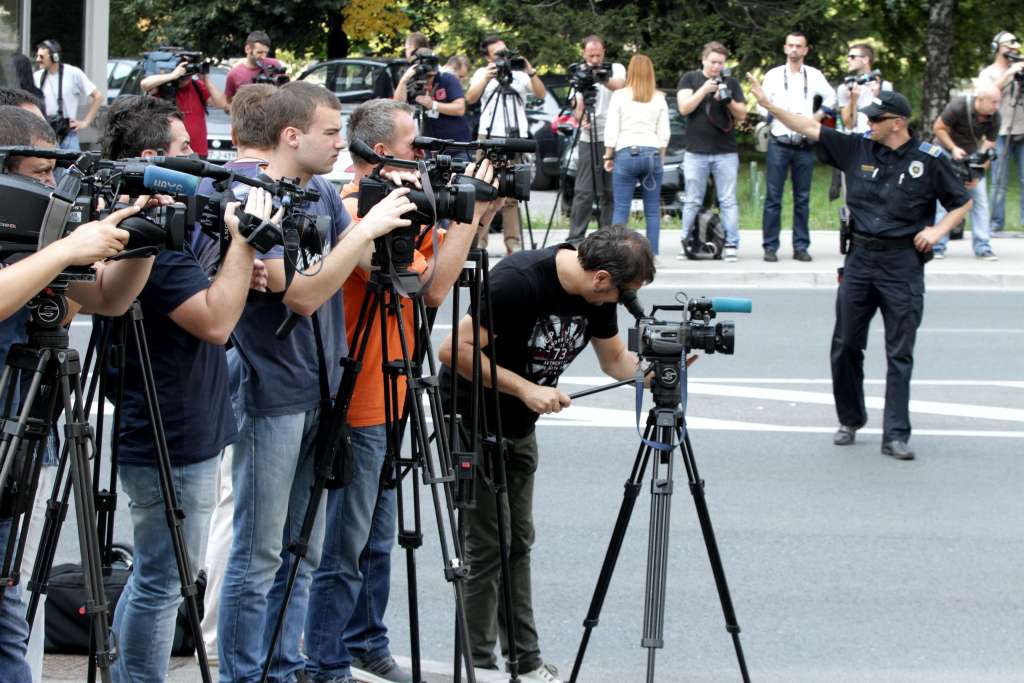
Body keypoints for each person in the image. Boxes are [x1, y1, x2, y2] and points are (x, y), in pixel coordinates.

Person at [215, 81, 415, 683]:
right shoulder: (251, 193)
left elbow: (383, 274)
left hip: (324, 389)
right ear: (292, 135)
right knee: (259, 555)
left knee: (300, 551)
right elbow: (298, 294)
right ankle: (242, 675)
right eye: (332, 132)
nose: (341, 143)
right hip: (271, 392)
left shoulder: (325, 192)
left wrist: (395, 215)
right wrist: (365, 227)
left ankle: (283, 668)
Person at [304, 97, 501, 683]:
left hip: (395, 390)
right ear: (382, 151)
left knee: (379, 535)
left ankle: (366, 641)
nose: (426, 155)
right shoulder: (352, 212)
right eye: (417, 145)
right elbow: (430, 289)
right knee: (347, 542)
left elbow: (438, 266)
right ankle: (324, 662)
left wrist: (476, 211)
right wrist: (463, 217)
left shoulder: (404, 209)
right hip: (360, 394)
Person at [97, 94, 270, 683]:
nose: (197, 159)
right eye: (183, 151)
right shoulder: (148, 241)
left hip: (186, 423)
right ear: (152, 160)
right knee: (162, 579)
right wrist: (244, 245)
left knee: (165, 574)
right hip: (168, 431)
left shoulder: (163, 230)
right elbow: (217, 322)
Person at [437, 226, 656, 683]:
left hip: (519, 422)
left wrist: (656, 369)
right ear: (600, 278)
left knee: (518, 541)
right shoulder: (519, 280)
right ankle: (478, 666)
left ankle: (525, 661)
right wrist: (527, 388)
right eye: (622, 293)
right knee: (486, 547)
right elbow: (451, 350)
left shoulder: (596, 296)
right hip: (473, 417)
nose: (622, 302)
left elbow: (615, 361)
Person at [0, 104, 155, 683]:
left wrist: (139, 240)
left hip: (25, 439)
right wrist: (63, 250)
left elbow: (109, 299)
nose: (51, 189)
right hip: (9, 432)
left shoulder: (33, 238)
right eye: (40, 175)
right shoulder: (31, 242)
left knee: (10, 600)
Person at [748, 76, 971, 461]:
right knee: (846, 345)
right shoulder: (856, 148)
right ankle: (850, 418)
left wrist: (936, 231)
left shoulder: (929, 160)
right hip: (860, 260)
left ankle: (896, 435)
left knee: (900, 351)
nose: (868, 122)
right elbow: (806, 125)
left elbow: (962, 202)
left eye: (876, 118)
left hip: (902, 263)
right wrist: (768, 104)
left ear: (897, 122)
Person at [195, 82, 277, 666]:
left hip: (224, 359)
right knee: (235, 508)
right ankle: (218, 638)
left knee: (229, 501)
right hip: (240, 356)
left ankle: (220, 635)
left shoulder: (208, 181)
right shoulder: (245, 190)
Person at [756, 31, 836, 262]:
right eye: (790, 45)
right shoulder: (772, 75)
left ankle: (801, 246)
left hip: (803, 143)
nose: (794, 50)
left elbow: (831, 97)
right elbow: (762, 105)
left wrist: (817, 117)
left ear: (805, 50)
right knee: (773, 197)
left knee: (802, 198)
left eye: (798, 46)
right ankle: (770, 247)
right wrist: (773, 115)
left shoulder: (813, 75)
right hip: (779, 142)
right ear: (784, 48)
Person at [465, 35, 546, 254]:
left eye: (505, 52)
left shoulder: (519, 74)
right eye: (497, 54)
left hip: (515, 137)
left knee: (513, 193)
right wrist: (487, 78)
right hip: (489, 136)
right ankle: (478, 243)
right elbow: (470, 98)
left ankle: (513, 244)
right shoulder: (483, 73)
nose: (503, 57)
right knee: (483, 189)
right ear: (487, 57)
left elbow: (541, 93)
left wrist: (530, 70)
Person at [675, 41, 746, 262]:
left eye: (720, 63)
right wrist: (704, 90)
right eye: (713, 62)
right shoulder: (690, 79)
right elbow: (684, 107)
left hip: (725, 151)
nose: (716, 66)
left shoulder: (731, 82)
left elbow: (742, 114)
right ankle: (687, 242)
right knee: (693, 199)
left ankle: (731, 244)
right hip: (696, 151)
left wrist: (727, 100)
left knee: (727, 200)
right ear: (703, 60)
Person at [603, 54, 669, 256]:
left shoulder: (620, 96)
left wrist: (608, 155)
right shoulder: (659, 98)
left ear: (630, 72)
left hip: (626, 154)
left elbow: (612, 128)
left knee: (621, 207)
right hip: (652, 155)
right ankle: (652, 255)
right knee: (652, 209)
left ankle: (616, 254)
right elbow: (664, 133)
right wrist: (661, 158)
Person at [930, 83, 1001, 260]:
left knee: (980, 201)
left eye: (998, 102)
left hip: (970, 154)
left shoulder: (995, 117)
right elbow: (938, 128)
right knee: (944, 200)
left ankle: (983, 247)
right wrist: (953, 148)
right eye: (993, 102)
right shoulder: (959, 106)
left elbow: (988, 149)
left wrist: (978, 175)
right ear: (980, 99)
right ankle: (938, 245)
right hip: (946, 151)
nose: (996, 106)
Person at [567, 35, 626, 244]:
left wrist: (600, 76)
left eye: (598, 55)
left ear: (604, 52)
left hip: (612, 138)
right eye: (591, 55)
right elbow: (575, 102)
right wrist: (581, 119)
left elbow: (620, 86)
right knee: (584, 190)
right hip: (587, 138)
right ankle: (575, 237)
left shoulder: (615, 68)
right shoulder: (578, 71)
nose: (595, 59)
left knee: (609, 190)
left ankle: (607, 236)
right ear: (583, 53)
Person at [979, 31, 1024, 236]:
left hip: (1022, 129)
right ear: (997, 47)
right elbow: (988, 94)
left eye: (1015, 46)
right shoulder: (989, 72)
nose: (1013, 49)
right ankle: (996, 223)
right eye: (1008, 45)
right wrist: (1009, 74)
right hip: (1000, 131)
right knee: (999, 180)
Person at [140, 54, 228, 159]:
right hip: (172, 154)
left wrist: (206, 80)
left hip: (198, 152)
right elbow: (144, 84)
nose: (186, 77)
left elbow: (222, 103)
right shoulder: (163, 87)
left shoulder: (197, 86)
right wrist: (172, 75)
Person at [393, 40, 472, 145]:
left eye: (431, 76)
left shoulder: (447, 79)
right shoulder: (410, 82)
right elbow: (397, 106)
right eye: (426, 75)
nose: (428, 79)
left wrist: (433, 105)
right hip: (429, 145)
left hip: (455, 143)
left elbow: (460, 109)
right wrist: (403, 81)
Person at [32, 39, 102, 151]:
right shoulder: (37, 77)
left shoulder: (73, 73)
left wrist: (85, 122)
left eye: (41, 57)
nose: (37, 60)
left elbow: (98, 96)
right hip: (44, 134)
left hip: (68, 135)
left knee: (71, 167)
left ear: (55, 57)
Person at [837, 43, 892, 134]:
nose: (848, 60)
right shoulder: (844, 88)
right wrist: (853, 100)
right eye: (848, 57)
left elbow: (889, 120)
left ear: (865, 59)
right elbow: (849, 125)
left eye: (852, 57)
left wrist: (877, 95)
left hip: (877, 141)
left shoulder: (884, 86)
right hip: (854, 142)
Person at [225, 31, 285, 104]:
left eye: (266, 52)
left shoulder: (274, 64)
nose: (263, 57)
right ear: (248, 49)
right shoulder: (233, 74)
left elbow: (286, 91)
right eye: (260, 52)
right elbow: (229, 102)